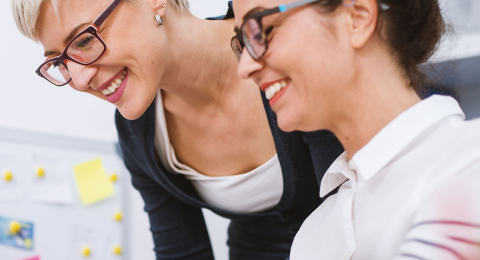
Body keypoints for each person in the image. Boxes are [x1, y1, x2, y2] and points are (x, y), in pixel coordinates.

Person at [12, 0, 344, 259]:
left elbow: (354, 211)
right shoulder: (140, 137)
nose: (81, 80)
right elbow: (180, 253)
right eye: (59, 62)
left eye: (84, 40)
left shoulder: (280, 46)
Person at [232, 0, 480, 259]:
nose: (244, 68)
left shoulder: (469, 164)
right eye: (241, 43)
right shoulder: (313, 236)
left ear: (358, 17)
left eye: (260, 30)